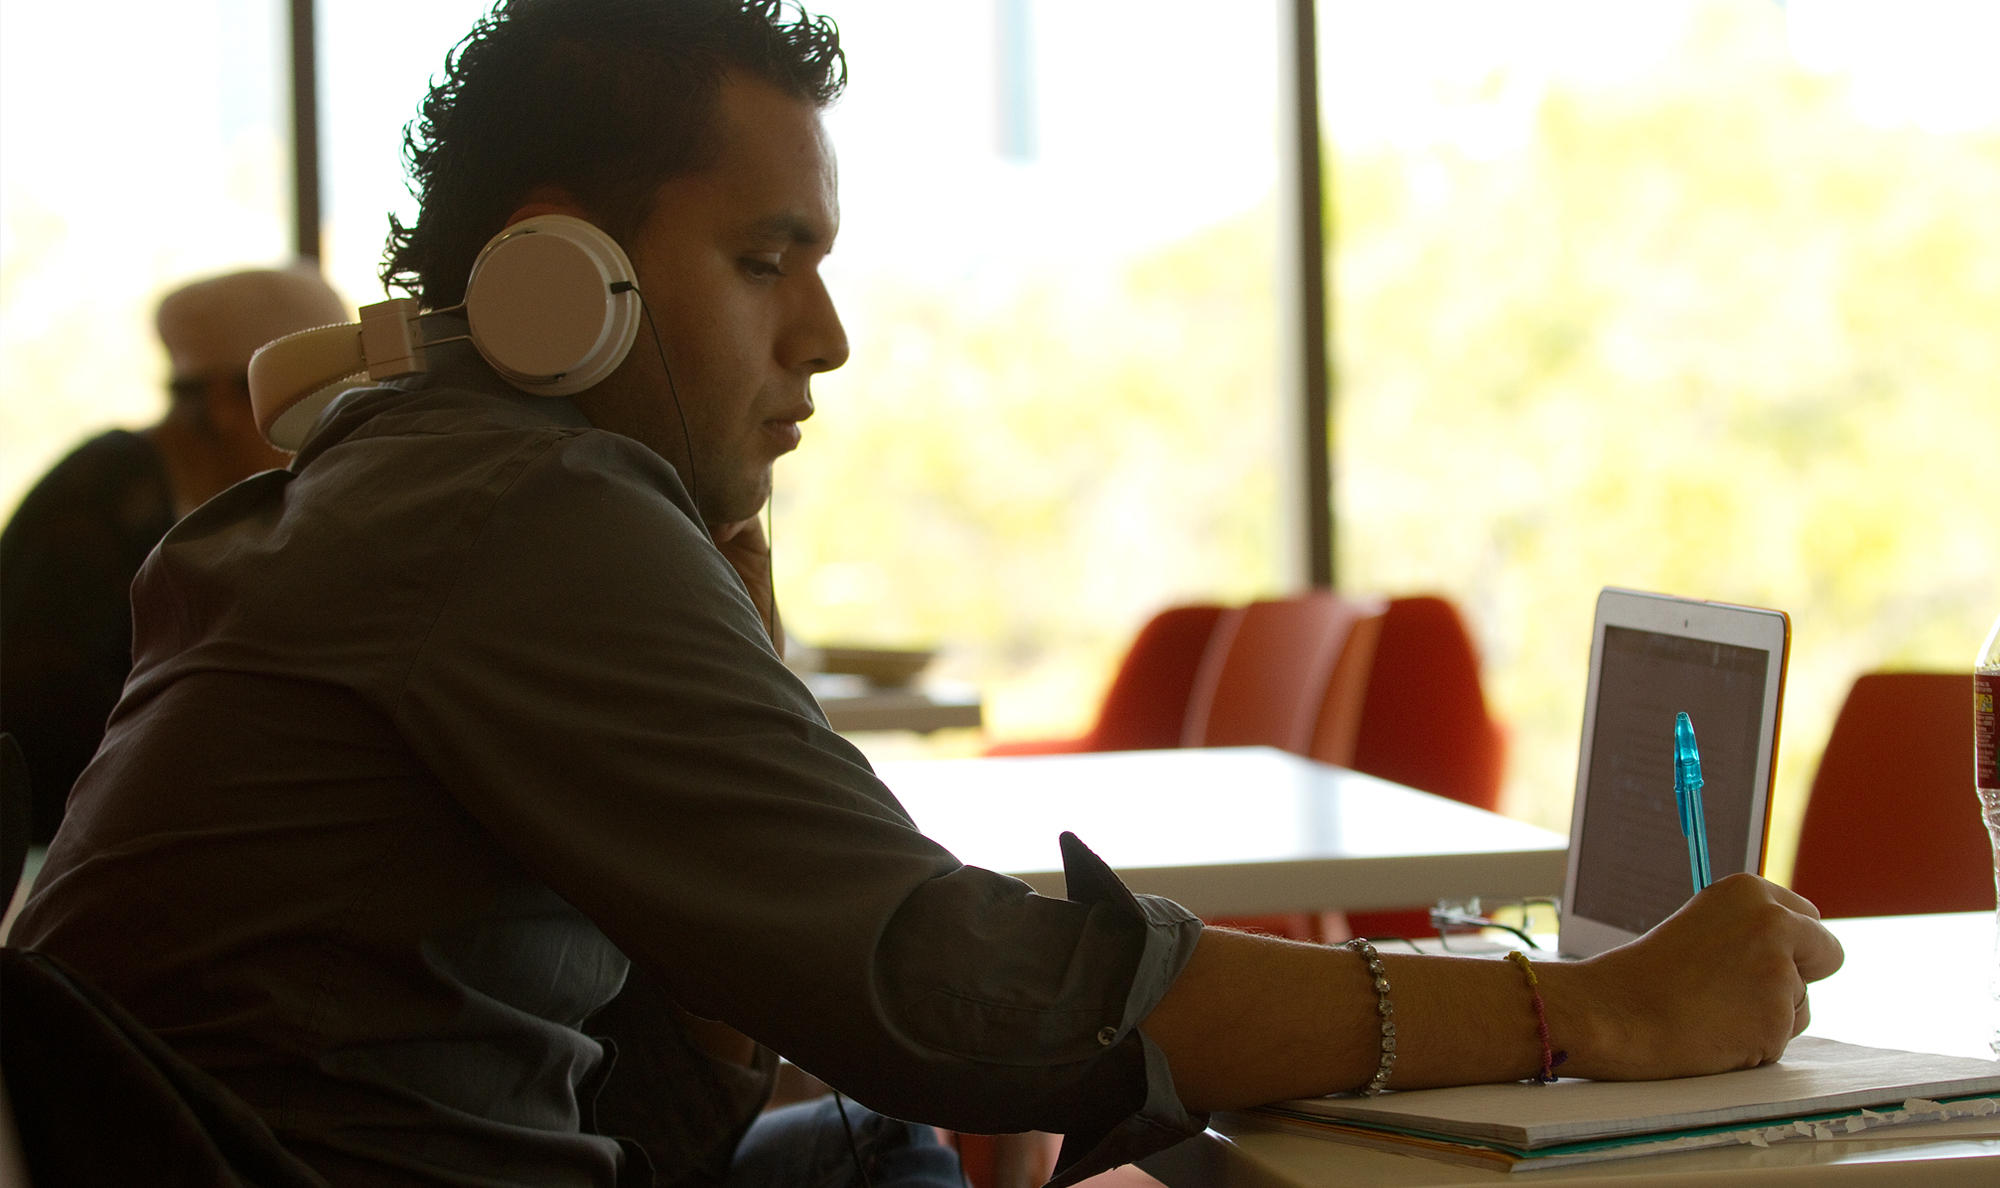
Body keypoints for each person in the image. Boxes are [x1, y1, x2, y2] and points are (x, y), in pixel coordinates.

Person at [12, 2, 1843, 1186]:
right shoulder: (515, 507)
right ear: (563, 277)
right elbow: (946, 982)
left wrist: (729, 603)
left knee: (884, 1142)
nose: (827, 334)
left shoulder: (414, 483)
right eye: (767, 257)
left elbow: (711, 1044)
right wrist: (1573, 1015)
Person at [0, 267, 348, 843]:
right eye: (309, 412)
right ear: (225, 401)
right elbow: (44, 711)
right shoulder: (109, 489)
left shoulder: (219, 503)